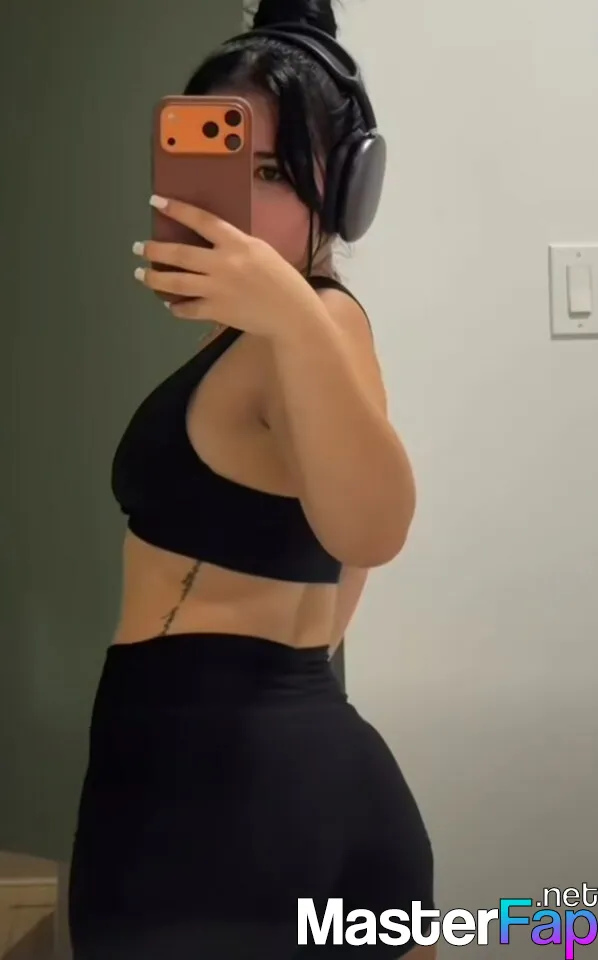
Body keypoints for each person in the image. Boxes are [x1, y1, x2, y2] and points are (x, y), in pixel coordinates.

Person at [67, 0, 435, 956]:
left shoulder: (313, 324)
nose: (238, 200)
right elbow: (342, 567)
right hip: (272, 765)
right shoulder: (283, 338)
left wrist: (291, 312)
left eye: (271, 171)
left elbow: (375, 531)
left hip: (218, 793)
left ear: (344, 190)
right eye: (224, 164)